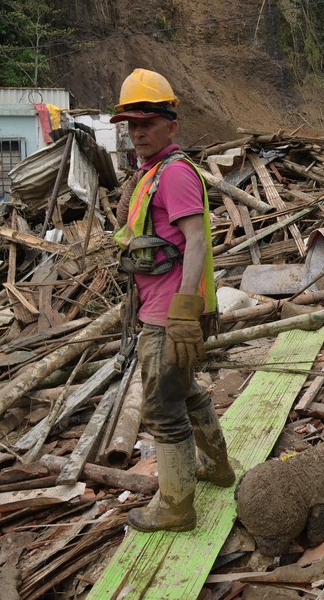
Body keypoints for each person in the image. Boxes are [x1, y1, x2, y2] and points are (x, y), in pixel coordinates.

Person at [110, 68, 234, 533]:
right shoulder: (151, 173)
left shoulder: (175, 173)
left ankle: (177, 508)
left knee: (163, 410)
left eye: (147, 123)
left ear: (171, 126)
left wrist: (184, 313)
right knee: (184, 390)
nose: (137, 132)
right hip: (161, 307)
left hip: (170, 314)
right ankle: (218, 468)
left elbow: (197, 242)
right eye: (130, 124)